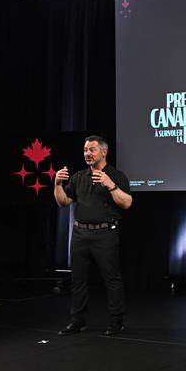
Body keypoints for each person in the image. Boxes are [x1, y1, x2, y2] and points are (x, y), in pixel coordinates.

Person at [54, 135, 132, 337]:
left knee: (111, 279)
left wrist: (110, 184)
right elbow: (63, 202)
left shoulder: (116, 175)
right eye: (85, 150)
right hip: (80, 233)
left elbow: (127, 203)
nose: (87, 154)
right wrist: (57, 184)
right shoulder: (79, 177)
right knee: (78, 280)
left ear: (103, 152)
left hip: (105, 233)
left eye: (92, 150)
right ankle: (77, 321)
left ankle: (116, 322)